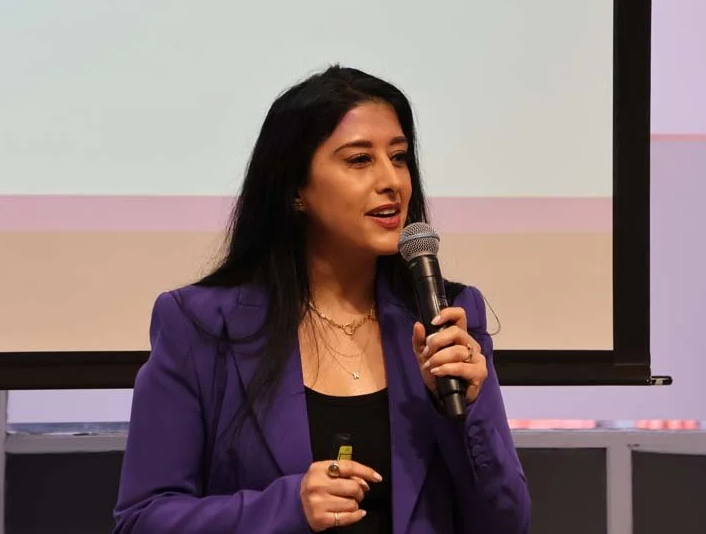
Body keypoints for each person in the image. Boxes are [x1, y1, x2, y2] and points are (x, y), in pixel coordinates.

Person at [113, 65, 530, 533]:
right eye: (358, 160)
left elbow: (505, 522)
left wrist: (465, 414)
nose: (392, 181)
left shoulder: (446, 317)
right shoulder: (200, 324)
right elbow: (142, 521)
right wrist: (287, 507)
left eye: (398, 157)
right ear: (296, 191)